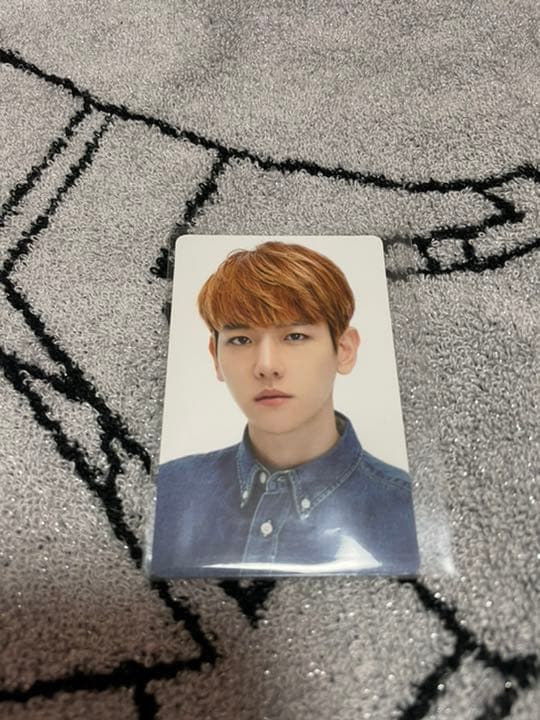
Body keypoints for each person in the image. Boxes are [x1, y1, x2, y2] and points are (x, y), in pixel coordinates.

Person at [150, 241, 419, 577]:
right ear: (215, 357)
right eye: (241, 340)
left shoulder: (408, 507)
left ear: (344, 349)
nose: (266, 366)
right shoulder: (167, 490)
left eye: (295, 336)